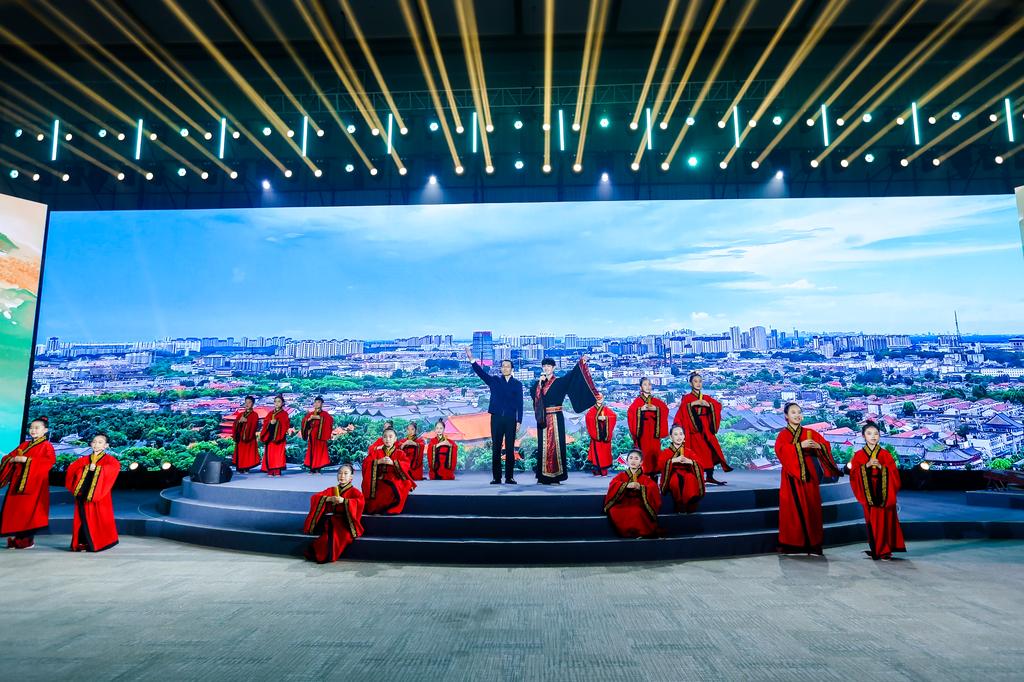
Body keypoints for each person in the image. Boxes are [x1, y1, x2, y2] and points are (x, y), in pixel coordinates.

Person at [775, 402, 841, 556]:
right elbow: (781, 450)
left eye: (799, 412)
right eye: (793, 412)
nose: (797, 415)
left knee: (812, 506)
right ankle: (792, 544)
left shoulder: (810, 432)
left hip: (810, 473)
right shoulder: (783, 435)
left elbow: (825, 446)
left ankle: (814, 543)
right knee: (792, 508)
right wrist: (800, 446)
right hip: (792, 475)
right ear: (786, 416)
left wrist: (818, 446)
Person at [531, 356, 599, 485]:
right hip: (543, 418)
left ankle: (556, 476)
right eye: (544, 366)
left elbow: (572, 375)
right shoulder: (539, 383)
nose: (546, 368)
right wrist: (539, 384)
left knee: (556, 445)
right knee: (543, 446)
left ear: (554, 368)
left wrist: (581, 362)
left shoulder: (560, 382)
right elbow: (533, 396)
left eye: (549, 366)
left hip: (556, 417)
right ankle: (542, 476)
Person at [849, 421, 906, 561]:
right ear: (863, 436)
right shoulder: (859, 455)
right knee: (873, 521)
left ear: (880, 436)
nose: (873, 436)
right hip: (868, 492)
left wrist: (881, 467)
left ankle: (885, 550)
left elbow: (894, 474)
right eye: (869, 433)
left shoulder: (886, 455)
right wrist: (866, 466)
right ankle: (878, 549)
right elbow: (854, 475)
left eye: (876, 433)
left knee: (885, 521)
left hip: (884, 492)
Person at [466, 348, 523, 484]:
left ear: (512, 369)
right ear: (501, 369)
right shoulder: (494, 381)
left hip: (510, 420)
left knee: (509, 449)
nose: (505, 368)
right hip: (496, 419)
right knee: (496, 448)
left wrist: (519, 421)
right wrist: (471, 359)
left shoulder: (517, 384)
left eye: (507, 366)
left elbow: (520, 404)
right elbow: (481, 373)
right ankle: (496, 477)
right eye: (503, 366)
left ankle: (509, 477)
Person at [1, 417, 56, 549]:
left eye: (37, 428)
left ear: (45, 430)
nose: (33, 430)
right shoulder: (24, 445)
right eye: (31, 428)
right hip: (18, 482)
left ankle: (26, 540)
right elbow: (7, 457)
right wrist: (13, 459)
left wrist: (27, 460)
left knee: (29, 512)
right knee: (17, 511)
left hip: (34, 484)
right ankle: (18, 538)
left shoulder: (46, 446)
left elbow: (49, 462)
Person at [64, 433, 121, 552]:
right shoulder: (83, 459)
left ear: (106, 446)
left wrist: (98, 469)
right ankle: (81, 542)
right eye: (94, 442)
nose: (96, 444)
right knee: (82, 518)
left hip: (99, 495)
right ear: (91, 444)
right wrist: (85, 469)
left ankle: (97, 542)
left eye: (100, 442)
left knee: (97, 519)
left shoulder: (110, 461)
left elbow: (112, 471)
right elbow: (71, 470)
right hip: (82, 494)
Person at [674, 371, 732, 485]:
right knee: (697, 454)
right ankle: (696, 476)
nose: (698, 383)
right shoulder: (687, 398)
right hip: (694, 430)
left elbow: (718, 406)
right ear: (690, 383)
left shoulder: (706, 397)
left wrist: (709, 405)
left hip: (706, 428)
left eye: (700, 381)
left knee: (710, 452)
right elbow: (682, 412)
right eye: (695, 381)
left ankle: (710, 476)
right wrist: (693, 404)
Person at [303, 463, 364, 563]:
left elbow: (360, 503)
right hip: (334, 521)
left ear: (351, 477)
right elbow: (315, 497)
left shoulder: (355, 492)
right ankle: (318, 553)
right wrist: (329, 498)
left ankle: (325, 555)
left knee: (340, 538)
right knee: (327, 538)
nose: (342, 476)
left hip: (348, 523)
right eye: (339, 473)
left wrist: (344, 501)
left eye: (345, 473)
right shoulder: (332, 490)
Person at [603, 449, 661, 538]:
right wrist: (626, 485)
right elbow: (613, 484)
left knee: (637, 511)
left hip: (639, 501)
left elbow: (653, 488)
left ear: (641, 462)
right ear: (627, 461)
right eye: (631, 458)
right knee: (615, 510)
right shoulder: (621, 476)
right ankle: (628, 532)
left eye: (636, 458)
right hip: (623, 501)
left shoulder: (645, 478)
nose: (633, 461)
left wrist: (640, 487)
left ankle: (640, 532)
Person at [362, 427, 414, 514]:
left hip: (394, 479)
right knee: (376, 497)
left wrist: (393, 463)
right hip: (379, 480)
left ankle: (390, 509)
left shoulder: (399, 453)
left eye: (390, 437)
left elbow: (406, 465)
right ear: (382, 439)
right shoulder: (376, 452)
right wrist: (378, 462)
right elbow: (366, 463)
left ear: (395, 439)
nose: (387, 439)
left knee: (406, 484)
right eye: (385, 437)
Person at [627, 377, 669, 480]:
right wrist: (640, 410)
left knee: (654, 455)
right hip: (643, 433)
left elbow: (665, 410)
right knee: (643, 455)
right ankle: (642, 480)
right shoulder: (637, 403)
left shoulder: (656, 401)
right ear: (641, 387)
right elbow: (630, 413)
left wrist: (656, 409)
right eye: (645, 384)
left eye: (649, 384)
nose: (648, 386)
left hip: (654, 433)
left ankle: (654, 479)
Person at [657, 425, 705, 514]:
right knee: (675, 480)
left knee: (690, 478)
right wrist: (673, 460)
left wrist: (690, 461)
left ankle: (690, 502)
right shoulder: (666, 452)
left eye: (681, 434)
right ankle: (680, 504)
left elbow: (700, 463)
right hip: (672, 474)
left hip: (687, 473)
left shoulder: (689, 451)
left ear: (684, 436)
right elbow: (660, 465)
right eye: (675, 434)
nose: (679, 437)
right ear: (671, 437)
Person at [585, 393, 616, 476]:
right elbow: (588, 418)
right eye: (597, 397)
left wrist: (606, 418)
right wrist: (596, 419)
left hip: (605, 436)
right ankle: (597, 470)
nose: (599, 399)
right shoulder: (591, 411)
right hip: (596, 436)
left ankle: (604, 470)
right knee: (596, 453)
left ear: (603, 398)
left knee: (605, 453)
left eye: (601, 397)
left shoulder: (606, 409)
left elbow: (613, 416)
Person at [260, 394, 290, 476]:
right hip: (270, 437)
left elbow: (285, 425)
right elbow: (265, 422)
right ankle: (270, 470)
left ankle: (277, 470)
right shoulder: (270, 413)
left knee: (278, 455)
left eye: (279, 401)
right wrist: (270, 422)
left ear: (283, 403)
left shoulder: (284, 414)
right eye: (275, 401)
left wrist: (277, 423)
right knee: (270, 455)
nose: (277, 403)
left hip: (279, 437)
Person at [301, 396, 333, 474]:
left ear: (322, 404)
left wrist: (319, 417)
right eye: (315, 402)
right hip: (312, 436)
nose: (317, 404)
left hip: (320, 436)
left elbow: (330, 420)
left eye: (319, 402)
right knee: (311, 451)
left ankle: (318, 468)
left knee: (319, 452)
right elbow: (304, 422)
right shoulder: (310, 414)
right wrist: (308, 420)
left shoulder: (325, 414)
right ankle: (312, 468)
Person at [231, 396, 260, 472]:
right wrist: (239, 422)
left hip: (248, 438)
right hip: (240, 438)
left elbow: (254, 425)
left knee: (247, 454)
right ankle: (240, 468)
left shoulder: (254, 415)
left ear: (253, 404)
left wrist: (247, 421)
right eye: (246, 402)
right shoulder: (240, 414)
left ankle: (246, 468)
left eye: (249, 402)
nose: (247, 404)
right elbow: (235, 425)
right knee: (240, 454)